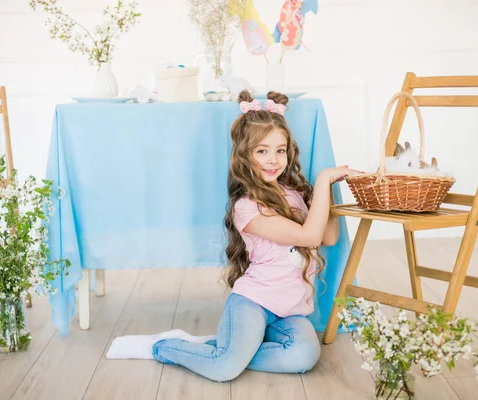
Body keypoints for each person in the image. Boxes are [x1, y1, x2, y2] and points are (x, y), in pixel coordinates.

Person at [106, 90, 355, 382]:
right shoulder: (247, 207)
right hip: (255, 301)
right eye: (262, 151)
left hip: (290, 311)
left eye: (280, 150)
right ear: (245, 155)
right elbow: (310, 237)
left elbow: (328, 238)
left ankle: (224, 349)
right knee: (224, 369)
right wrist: (325, 178)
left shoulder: (296, 194)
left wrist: (329, 191)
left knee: (303, 356)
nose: (273, 160)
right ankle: (163, 346)